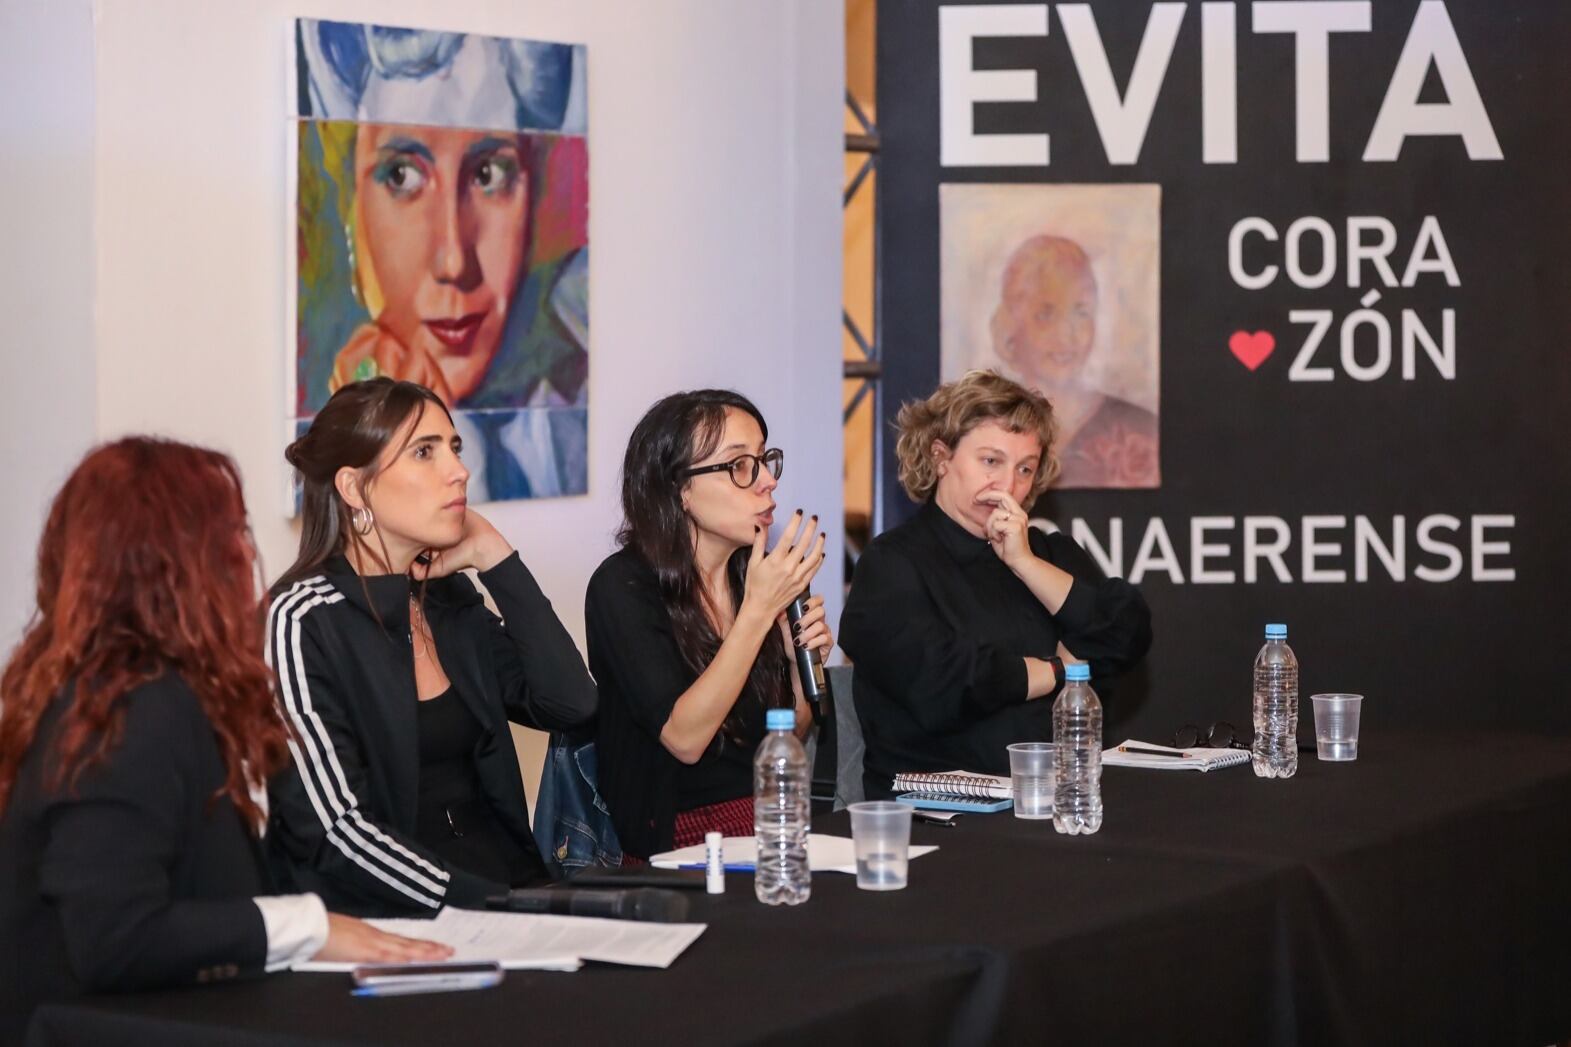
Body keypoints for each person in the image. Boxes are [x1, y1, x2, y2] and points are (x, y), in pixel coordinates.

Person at [0, 438, 448, 1042]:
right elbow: (114, 938)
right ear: (183, 562)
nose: (248, 551)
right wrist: (307, 926)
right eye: (234, 533)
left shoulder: (132, 689)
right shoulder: (130, 709)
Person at [267, 378, 596, 916]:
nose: (459, 470)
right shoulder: (302, 619)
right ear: (354, 488)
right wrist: (489, 905)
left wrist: (496, 558)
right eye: (425, 452)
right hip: (403, 920)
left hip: (510, 889)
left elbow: (571, 704)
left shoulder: (446, 600)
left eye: (455, 447)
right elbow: (336, 834)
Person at [295, 21, 589, 499]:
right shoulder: (314, 464)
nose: (454, 260)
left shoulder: (569, 430)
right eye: (402, 175)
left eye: (489, 174)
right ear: (349, 206)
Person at [839, 371, 1152, 797]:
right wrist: (1061, 671)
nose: (1008, 485)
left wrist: (1024, 563)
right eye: (991, 461)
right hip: (941, 816)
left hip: (1059, 799)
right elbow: (945, 684)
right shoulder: (891, 564)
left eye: (1025, 468)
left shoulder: (1048, 552)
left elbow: (1126, 631)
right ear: (941, 457)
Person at [586, 391, 832, 859]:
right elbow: (684, 739)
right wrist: (757, 615)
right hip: (675, 844)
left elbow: (788, 736)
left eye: (764, 460)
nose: (766, 482)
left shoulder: (753, 578)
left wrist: (801, 665)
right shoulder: (623, 586)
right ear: (679, 488)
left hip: (770, 822)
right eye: (740, 466)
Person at [990, 234, 1159, 487]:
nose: (1067, 335)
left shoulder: (1139, 429)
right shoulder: (983, 429)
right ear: (1012, 323)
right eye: (1046, 314)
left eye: (1081, 312)